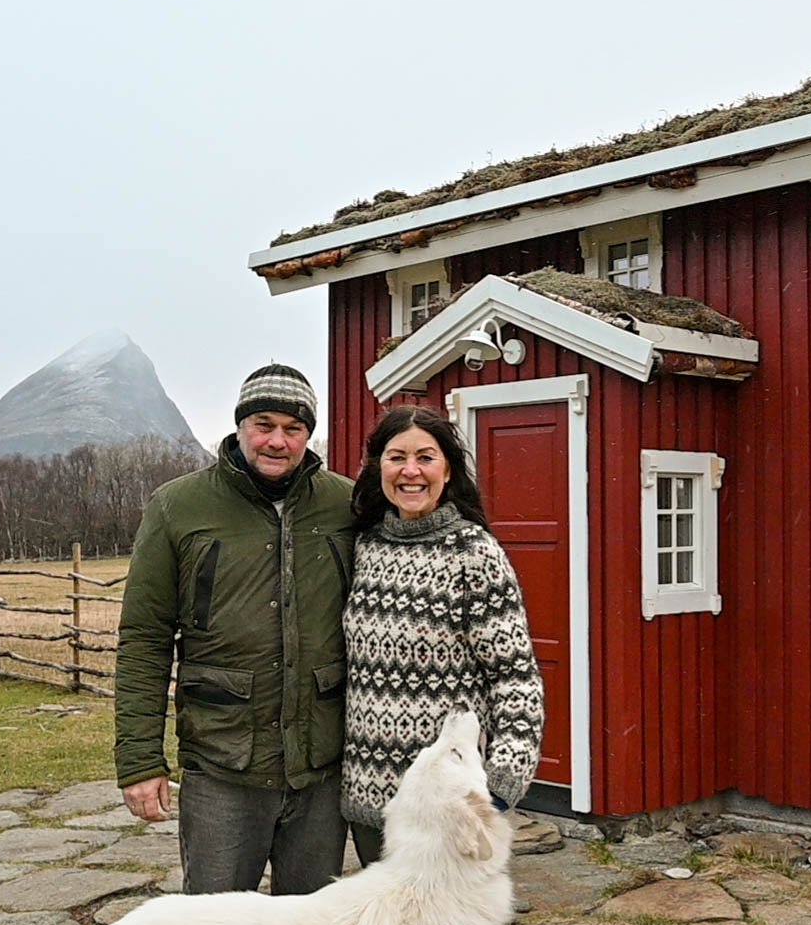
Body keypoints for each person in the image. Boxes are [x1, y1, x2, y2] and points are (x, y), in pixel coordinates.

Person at [114, 363, 357, 895]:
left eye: (293, 429)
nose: (277, 440)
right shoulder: (179, 506)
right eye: (263, 424)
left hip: (319, 766)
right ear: (239, 426)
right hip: (222, 763)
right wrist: (139, 762)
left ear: (308, 435)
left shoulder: (345, 504)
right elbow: (144, 640)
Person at [340, 405, 546, 863]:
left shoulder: (473, 553)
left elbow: (515, 677)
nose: (410, 471)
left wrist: (501, 783)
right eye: (397, 457)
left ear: (448, 470)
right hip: (370, 799)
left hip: (449, 803)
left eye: (426, 458)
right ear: (378, 469)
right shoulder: (364, 545)